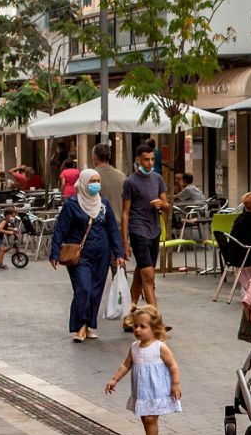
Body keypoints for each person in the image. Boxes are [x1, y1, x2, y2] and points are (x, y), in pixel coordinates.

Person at [49, 168, 124, 342]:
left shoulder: (104, 204)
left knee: (96, 291)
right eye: (92, 181)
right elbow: (61, 229)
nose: (96, 185)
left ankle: (88, 326)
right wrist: (54, 253)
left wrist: (118, 253)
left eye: (98, 181)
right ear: (83, 182)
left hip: (102, 254)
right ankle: (80, 327)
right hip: (80, 255)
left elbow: (112, 229)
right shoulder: (72, 204)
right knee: (83, 288)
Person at [104, 304, 180, 435]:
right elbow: (126, 365)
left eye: (142, 326)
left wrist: (175, 384)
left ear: (154, 328)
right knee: (146, 419)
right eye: (135, 326)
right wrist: (115, 379)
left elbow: (173, 365)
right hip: (142, 392)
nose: (138, 330)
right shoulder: (134, 348)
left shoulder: (160, 347)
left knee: (151, 418)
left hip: (157, 391)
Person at [122, 146, 170, 308]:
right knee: (149, 276)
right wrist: (124, 241)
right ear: (137, 159)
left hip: (154, 230)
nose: (149, 163)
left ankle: (130, 311)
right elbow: (125, 213)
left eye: (151, 159)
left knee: (141, 272)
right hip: (138, 230)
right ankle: (155, 319)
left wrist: (162, 204)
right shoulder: (130, 182)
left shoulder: (157, 179)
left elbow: (168, 207)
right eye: (146, 159)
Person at [91, 144, 126, 220]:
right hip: (118, 224)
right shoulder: (122, 176)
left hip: (98, 225)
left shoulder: (90, 176)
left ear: (95, 157)